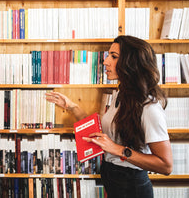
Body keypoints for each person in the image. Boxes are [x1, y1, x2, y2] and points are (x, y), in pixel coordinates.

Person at [45, 35, 173, 198]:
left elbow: (166, 166)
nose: (105, 62)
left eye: (114, 57)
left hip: (131, 186)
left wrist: (117, 149)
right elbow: (101, 131)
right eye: (108, 55)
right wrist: (72, 106)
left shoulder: (149, 108)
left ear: (131, 63)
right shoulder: (122, 94)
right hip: (112, 177)